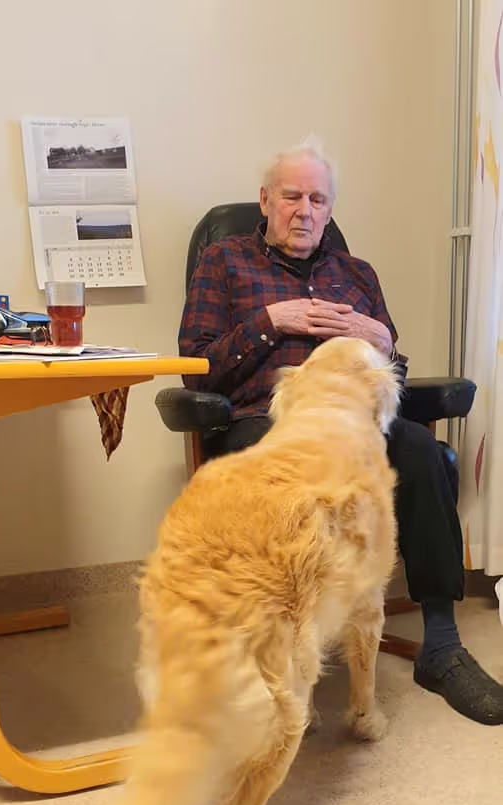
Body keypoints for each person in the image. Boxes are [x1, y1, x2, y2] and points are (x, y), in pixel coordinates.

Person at [179, 141, 503, 726]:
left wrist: (381, 340)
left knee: (422, 450)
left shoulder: (357, 274)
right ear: (265, 201)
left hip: (358, 423)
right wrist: (270, 322)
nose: (304, 210)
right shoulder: (224, 263)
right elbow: (198, 368)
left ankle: (441, 644)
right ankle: (271, 650)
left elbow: (392, 375)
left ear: (330, 209)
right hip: (268, 423)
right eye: (292, 196)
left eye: (318, 199)